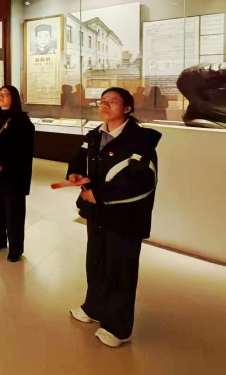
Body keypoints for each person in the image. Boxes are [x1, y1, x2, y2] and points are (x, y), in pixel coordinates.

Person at [67, 88, 161, 348]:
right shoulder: (95, 135)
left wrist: (98, 194)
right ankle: (94, 307)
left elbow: (142, 182)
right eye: (103, 101)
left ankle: (118, 327)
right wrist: (75, 174)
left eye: (113, 102)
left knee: (120, 269)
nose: (105, 105)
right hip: (97, 214)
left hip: (125, 218)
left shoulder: (139, 141)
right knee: (96, 261)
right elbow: (79, 158)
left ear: (127, 108)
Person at [0, 85, 35, 262]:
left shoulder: (22, 121)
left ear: (14, 98)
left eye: (6, 94)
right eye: (0, 94)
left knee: (14, 212)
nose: (1, 97)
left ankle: (15, 249)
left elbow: (23, 150)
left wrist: (3, 164)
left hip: (14, 174)